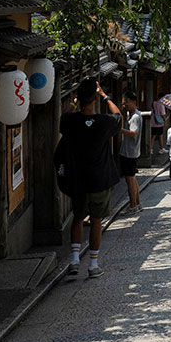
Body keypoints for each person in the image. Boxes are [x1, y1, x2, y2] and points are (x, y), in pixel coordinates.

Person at [60, 77, 122, 278]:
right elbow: (118, 115)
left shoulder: (70, 122)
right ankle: (93, 264)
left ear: (79, 98)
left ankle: (74, 259)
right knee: (96, 220)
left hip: (78, 179)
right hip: (99, 179)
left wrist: (73, 102)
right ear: (94, 99)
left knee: (77, 218)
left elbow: (63, 117)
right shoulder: (103, 123)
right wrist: (105, 96)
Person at [119, 91, 143, 213]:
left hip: (130, 152)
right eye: (123, 104)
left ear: (133, 102)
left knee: (130, 180)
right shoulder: (133, 114)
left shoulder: (135, 117)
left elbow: (133, 133)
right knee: (132, 178)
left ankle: (133, 205)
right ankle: (137, 203)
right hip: (131, 151)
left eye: (126, 103)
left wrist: (120, 129)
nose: (124, 106)